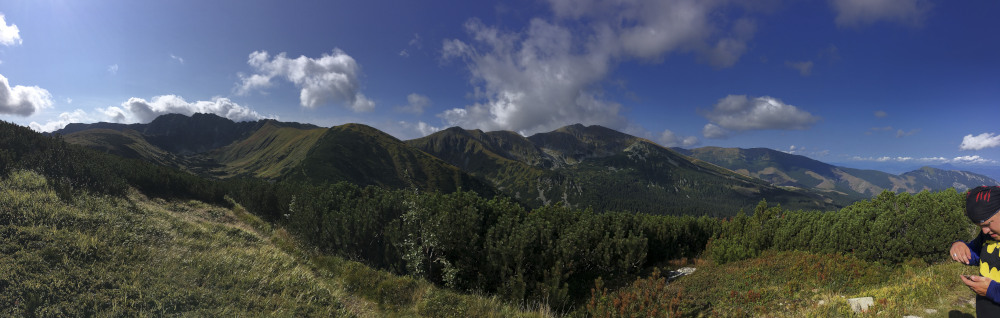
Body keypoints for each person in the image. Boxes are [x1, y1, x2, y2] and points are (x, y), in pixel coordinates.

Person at [951, 186, 1000, 316]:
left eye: (988, 223)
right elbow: (978, 254)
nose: (984, 231)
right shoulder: (989, 234)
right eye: (980, 226)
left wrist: (992, 290)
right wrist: (959, 246)